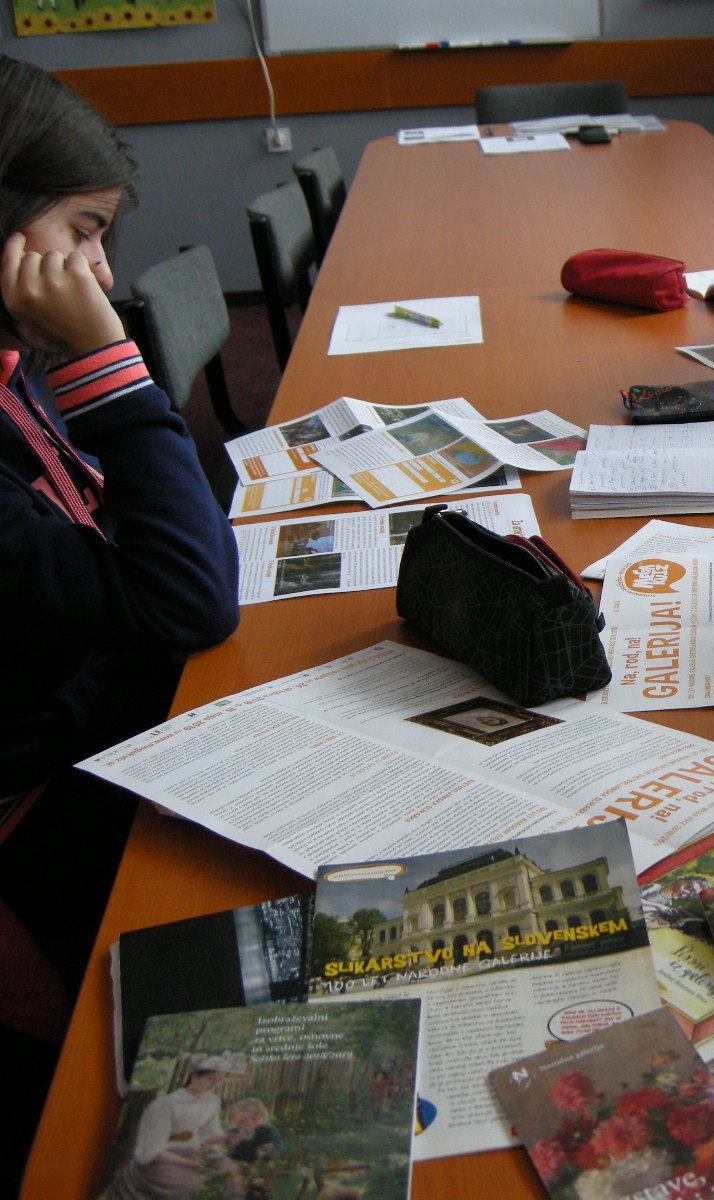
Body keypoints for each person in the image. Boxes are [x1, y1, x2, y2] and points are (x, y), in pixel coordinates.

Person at [0, 52, 239, 1191]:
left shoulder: (11, 368)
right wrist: (109, 360)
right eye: (84, 231)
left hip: (90, 699)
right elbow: (185, 599)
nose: (99, 268)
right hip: (41, 790)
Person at [107, 1058, 233, 1199]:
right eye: (210, 1078)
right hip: (162, 1158)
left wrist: (222, 1142)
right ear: (194, 1076)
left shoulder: (212, 1101)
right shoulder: (166, 1104)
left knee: (228, 1174)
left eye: (220, 1080)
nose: (215, 1084)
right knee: (191, 1185)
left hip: (192, 1153)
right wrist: (189, 1163)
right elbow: (153, 1149)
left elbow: (211, 1131)